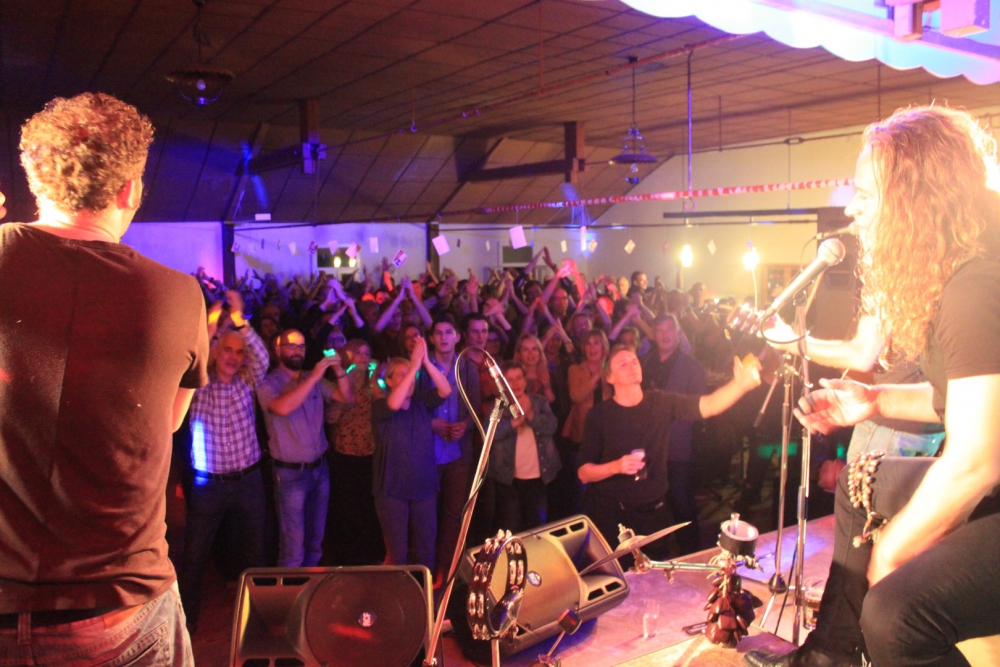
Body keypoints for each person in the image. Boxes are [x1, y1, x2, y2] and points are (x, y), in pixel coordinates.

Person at [745, 105, 1000, 667]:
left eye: (864, 194)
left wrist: (893, 551)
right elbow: (960, 404)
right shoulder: (959, 275)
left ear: (914, 198)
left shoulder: (977, 285)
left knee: (894, 615)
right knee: (858, 482)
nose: (850, 208)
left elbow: (979, 459)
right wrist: (874, 401)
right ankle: (832, 654)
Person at [0, 93, 208, 664]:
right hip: (118, 607)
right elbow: (167, 422)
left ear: (34, 179)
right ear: (130, 190)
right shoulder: (178, 295)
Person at [578, 346, 760, 563]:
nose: (632, 366)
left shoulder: (660, 402)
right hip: (613, 515)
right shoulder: (599, 415)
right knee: (618, 576)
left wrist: (740, 385)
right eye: (623, 364)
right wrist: (616, 466)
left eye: (634, 361)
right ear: (610, 377)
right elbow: (584, 473)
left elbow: (709, 405)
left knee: (653, 573)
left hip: (653, 512)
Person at [178, 290, 269, 632]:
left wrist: (241, 319)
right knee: (194, 555)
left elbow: (261, 357)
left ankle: (259, 619)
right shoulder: (199, 383)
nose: (233, 357)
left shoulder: (247, 381)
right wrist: (213, 321)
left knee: (256, 553)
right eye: (227, 350)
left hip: (248, 481)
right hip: (209, 485)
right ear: (216, 352)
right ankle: (187, 621)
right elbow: (194, 353)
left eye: (239, 352)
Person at [257, 329, 353, 567]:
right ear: (277, 350)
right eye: (291, 345)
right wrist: (314, 377)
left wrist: (338, 369)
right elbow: (282, 408)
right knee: (293, 549)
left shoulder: (313, 377)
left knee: (315, 543)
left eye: (301, 346)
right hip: (290, 475)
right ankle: (290, 591)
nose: (297, 350)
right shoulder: (269, 383)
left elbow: (347, 397)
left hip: (320, 469)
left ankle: (310, 588)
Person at [372, 338, 452, 569]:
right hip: (392, 489)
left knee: (426, 550)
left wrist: (425, 361)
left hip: (424, 487)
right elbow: (394, 404)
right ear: (388, 381)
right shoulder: (380, 405)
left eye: (411, 375)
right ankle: (396, 591)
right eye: (401, 374)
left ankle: (424, 589)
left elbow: (445, 390)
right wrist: (414, 366)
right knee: (397, 553)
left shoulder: (421, 402)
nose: (409, 378)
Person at [641, 314, 708, 554]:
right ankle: (654, 557)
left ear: (678, 333)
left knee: (682, 505)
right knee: (651, 507)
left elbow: (699, 406)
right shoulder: (644, 362)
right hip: (648, 448)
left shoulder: (692, 367)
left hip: (677, 448)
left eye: (670, 329)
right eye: (660, 330)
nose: (665, 335)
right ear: (653, 334)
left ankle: (693, 555)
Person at [488, 362, 561, 533]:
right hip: (509, 479)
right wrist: (513, 423)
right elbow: (489, 434)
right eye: (510, 380)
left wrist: (531, 417)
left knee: (537, 527)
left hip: (539, 477)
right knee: (511, 527)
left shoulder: (539, 402)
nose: (516, 383)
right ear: (504, 383)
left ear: (525, 380)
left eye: (519, 378)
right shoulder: (499, 405)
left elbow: (552, 425)